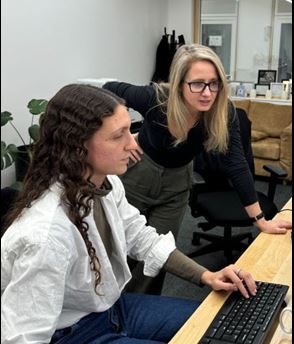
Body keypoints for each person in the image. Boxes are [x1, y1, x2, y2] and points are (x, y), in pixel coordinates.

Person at [1, 84, 257, 344]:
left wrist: (206, 276)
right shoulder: (45, 236)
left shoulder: (105, 184)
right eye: (118, 135)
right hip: (70, 341)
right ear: (77, 147)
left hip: (112, 310)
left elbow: (141, 236)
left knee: (216, 325)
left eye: (130, 130)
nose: (133, 143)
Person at [103, 44, 292, 293]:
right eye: (198, 83)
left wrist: (260, 220)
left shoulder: (224, 112)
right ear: (180, 83)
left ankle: (142, 309)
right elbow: (108, 91)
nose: (207, 93)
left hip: (177, 182)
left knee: (159, 255)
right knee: (117, 245)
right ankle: (105, 308)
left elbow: (237, 164)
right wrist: (128, 135)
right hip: (139, 172)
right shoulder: (155, 99)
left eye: (214, 83)